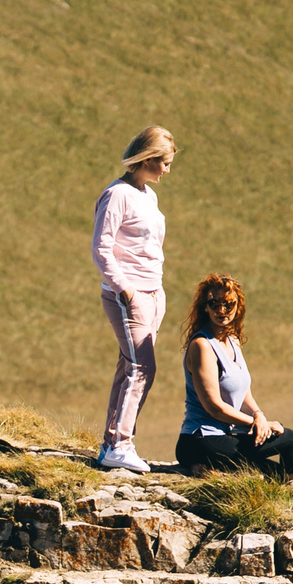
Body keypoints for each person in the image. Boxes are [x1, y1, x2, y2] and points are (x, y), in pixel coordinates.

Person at [91, 127, 176, 473]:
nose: (167, 170)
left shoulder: (147, 195)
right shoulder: (117, 195)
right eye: (165, 163)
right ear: (149, 158)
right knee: (142, 368)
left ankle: (112, 442)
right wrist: (124, 289)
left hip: (153, 293)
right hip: (129, 296)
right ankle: (121, 445)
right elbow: (101, 247)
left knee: (129, 367)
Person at [175, 273, 293, 485]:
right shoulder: (202, 346)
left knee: (276, 472)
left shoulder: (233, 341)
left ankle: (213, 470)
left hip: (227, 434)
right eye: (214, 304)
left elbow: (243, 392)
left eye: (228, 304)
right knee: (288, 439)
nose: (222, 311)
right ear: (205, 307)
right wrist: (257, 424)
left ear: (238, 306)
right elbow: (214, 408)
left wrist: (259, 416)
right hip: (201, 439)